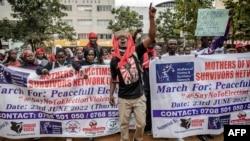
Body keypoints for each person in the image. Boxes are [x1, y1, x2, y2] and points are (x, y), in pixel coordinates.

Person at [109, 3, 156, 141]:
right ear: (116, 42)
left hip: (139, 97)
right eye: (119, 38)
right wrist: (111, 94)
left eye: (125, 37)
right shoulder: (114, 60)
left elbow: (152, 36)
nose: (122, 39)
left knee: (141, 124)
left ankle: (137, 139)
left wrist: (151, 18)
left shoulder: (136, 51)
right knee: (123, 126)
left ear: (129, 40)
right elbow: (113, 79)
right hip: (123, 98)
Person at [140, 43, 157, 136]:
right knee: (145, 107)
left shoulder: (157, 56)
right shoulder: (141, 54)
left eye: (152, 42)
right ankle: (147, 127)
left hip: (155, 86)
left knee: (154, 107)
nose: (150, 44)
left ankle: (155, 127)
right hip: (145, 85)